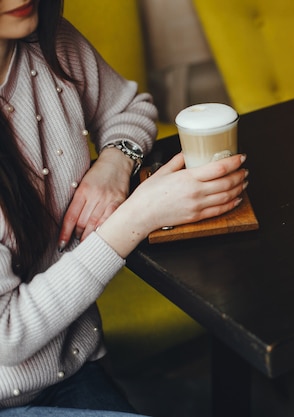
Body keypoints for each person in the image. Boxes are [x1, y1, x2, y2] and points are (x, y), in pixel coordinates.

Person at [0, 0, 247, 415]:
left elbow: (130, 107)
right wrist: (137, 216)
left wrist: (115, 162)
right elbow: (7, 336)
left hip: (77, 368)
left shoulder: (49, 39)